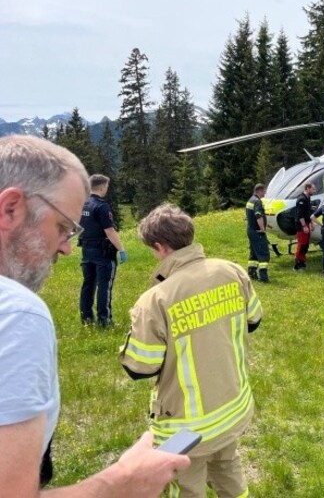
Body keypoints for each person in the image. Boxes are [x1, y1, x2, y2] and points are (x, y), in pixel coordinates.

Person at [0, 135, 189, 496]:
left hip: (95, 258)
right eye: (61, 227)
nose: (66, 247)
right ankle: (99, 319)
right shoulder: (17, 315)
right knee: (102, 291)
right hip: (102, 256)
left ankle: (90, 316)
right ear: (11, 208)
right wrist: (121, 483)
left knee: (88, 290)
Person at [120, 203, 263, 497]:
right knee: (228, 468)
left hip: (188, 427)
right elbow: (254, 320)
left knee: (187, 486)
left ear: (160, 246)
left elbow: (139, 367)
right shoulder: (232, 271)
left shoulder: (155, 299)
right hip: (232, 406)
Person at [78, 174, 126, 327]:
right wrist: (121, 249)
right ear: (102, 187)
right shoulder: (101, 206)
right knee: (104, 286)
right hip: (103, 252)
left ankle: (86, 318)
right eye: (106, 186)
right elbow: (110, 231)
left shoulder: (83, 204)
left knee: (88, 285)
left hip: (86, 250)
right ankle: (104, 320)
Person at [245, 183, 269, 283]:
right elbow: (258, 216)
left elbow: (248, 216)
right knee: (263, 253)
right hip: (257, 231)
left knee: (254, 253)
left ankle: (251, 272)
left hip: (250, 230)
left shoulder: (250, 200)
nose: (265, 193)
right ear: (259, 191)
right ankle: (263, 278)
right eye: (264, 191)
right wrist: (262, 229)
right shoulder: (257, 202)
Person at [294, 183, 315, 271]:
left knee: (306, 245)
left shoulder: (308, 198)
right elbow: (300, 215)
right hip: (301, 225)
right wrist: (304, 226)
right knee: (301, 244)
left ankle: (302, 262)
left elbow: (308, 213)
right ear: (307, 188)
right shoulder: (301, 199)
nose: (314, 191)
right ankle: (297, 265)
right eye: (313, 189)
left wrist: (311, 223)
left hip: (306, 223)